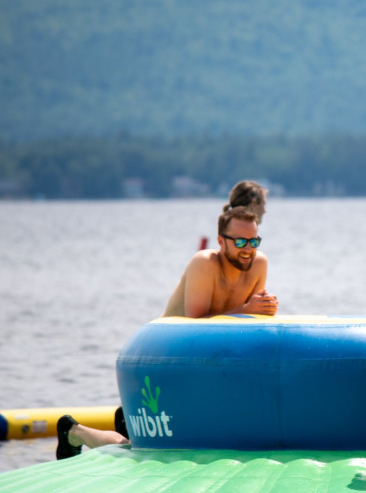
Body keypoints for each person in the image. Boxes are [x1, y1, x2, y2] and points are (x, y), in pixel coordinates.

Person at [57, 207, 279, 459]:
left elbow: (246, 323)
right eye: (240, 241)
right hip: (163, 357)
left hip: (201, 362)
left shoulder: (259, 263)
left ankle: (125, 420)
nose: (248, 248)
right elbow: (193, 324)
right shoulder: (204, 262)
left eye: (254, 240)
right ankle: (73, 431)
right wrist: (246, 309)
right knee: (143, 451)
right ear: (221, 241)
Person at [199, 180, 269, 249]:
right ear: (253, 204)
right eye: (263, 204)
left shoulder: (227, 227)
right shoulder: (241, 236)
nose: (264, 211)